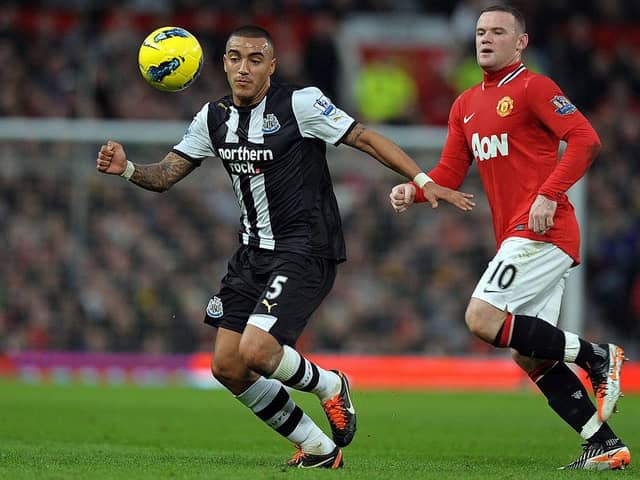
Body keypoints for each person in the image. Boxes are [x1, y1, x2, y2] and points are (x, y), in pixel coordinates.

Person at [96, 25, 474, 469]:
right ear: (222, 63)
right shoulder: (212, 117)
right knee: (228, 367)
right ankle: (317, 449)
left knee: (257, 350)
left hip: (306, 248)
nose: (243, 67)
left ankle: (330, 386)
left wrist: (422, 179)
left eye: (255, 59)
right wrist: (127, 169)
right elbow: (165, 175)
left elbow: (365, 137)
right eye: (235, 57)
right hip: (252, 254)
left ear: (271, 67)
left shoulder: (301, 104)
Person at [389, 5, 630, 471]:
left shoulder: (534, 87)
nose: (486, 38)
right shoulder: (464, 105)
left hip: (543, 227)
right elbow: (449, 172)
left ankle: (599, 356)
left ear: (521, 42)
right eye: (481, 31)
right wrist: (414, 189)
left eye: (499, 31)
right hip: (517, 234)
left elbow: (586, 139)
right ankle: (602, 442)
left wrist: (548, 194)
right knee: (529, 354)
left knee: (481, 318)